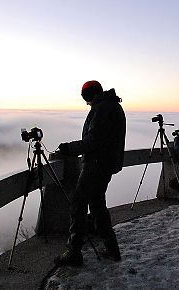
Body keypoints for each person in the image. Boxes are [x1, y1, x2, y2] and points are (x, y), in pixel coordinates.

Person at [55, 80, 126, 266]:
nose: (85, 101)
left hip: (95, 164)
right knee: (97, 207)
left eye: (85, 96)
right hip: (106, 165)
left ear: (91, 95)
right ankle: (112, 249)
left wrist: (69, 148)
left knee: (78, 205)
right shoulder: (114, 106)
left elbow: (93, 141)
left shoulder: (101, 109)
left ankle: (74, 252)